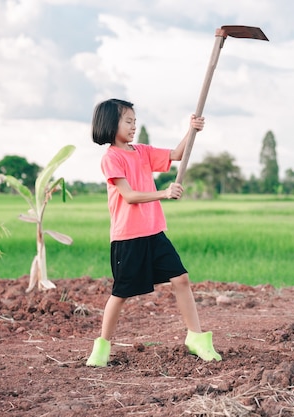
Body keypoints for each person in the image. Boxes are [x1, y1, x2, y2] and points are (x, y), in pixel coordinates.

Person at [86, 98, 221, 367]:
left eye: (135, 121)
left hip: (154, 232)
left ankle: (195, 337)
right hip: (128, 237)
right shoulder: (111, 158)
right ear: (110, 123)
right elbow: (129, 196)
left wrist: (191, 130)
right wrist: (164, 193)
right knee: (121, 293)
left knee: (181, 278)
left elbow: (178, 154)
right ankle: (102, 346)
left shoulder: (142, 152)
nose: (134, 126)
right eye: (128, 121)